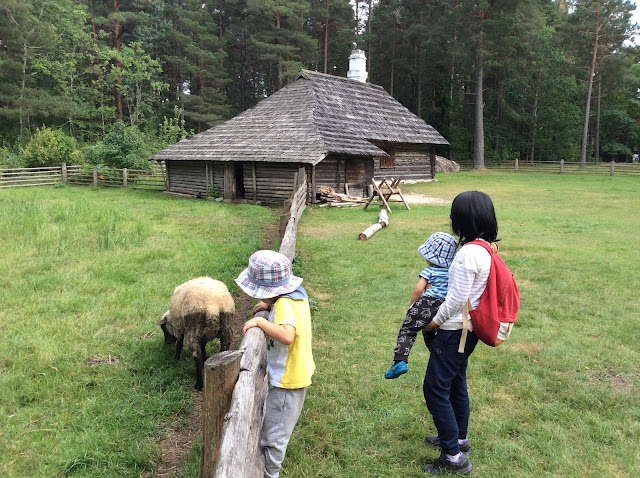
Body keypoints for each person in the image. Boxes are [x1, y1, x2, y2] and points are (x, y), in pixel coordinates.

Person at [421, 191, 499, 476]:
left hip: (454, 331)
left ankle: (453, 457)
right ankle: (458, 439)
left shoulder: (467, 253)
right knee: (455, 383)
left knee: (435, 389)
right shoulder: (485, 247)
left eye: (454, 214)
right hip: (468, 332)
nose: (451, 219)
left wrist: (433, 323)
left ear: (463, 218)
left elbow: (455, 300)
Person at [235, 250, 315, 478]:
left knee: (275, 435)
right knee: (275, 426)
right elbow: (290, 319)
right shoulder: (296, 296)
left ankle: (270, 473)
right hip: (294, 373)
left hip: (287, 382)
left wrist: (260, 321)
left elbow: (287, 335)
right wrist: (269, 309)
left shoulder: (284, 306)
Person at [384, 232, 458, 379]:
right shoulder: (452, 272)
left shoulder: (429, 270)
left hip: (427, 303)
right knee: (428, 331)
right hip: (443, 307)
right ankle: (439, 356)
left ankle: (399, 361)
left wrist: (412, 306)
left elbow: (419, 289)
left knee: (408, 329)